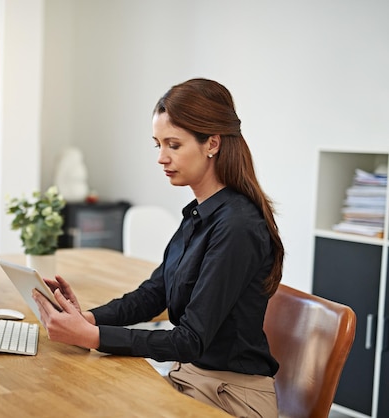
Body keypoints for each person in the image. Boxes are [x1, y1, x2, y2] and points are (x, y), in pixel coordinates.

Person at [32, 78, 284, 418]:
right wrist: (88, 319)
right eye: (158, 145)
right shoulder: (200, 213)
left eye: (174, 145)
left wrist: (93, 336)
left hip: (230, 396)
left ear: (212, 143)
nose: (162, 158)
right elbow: (154, 293)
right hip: (189, 377)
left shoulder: (237, 226)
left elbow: (189, 340)